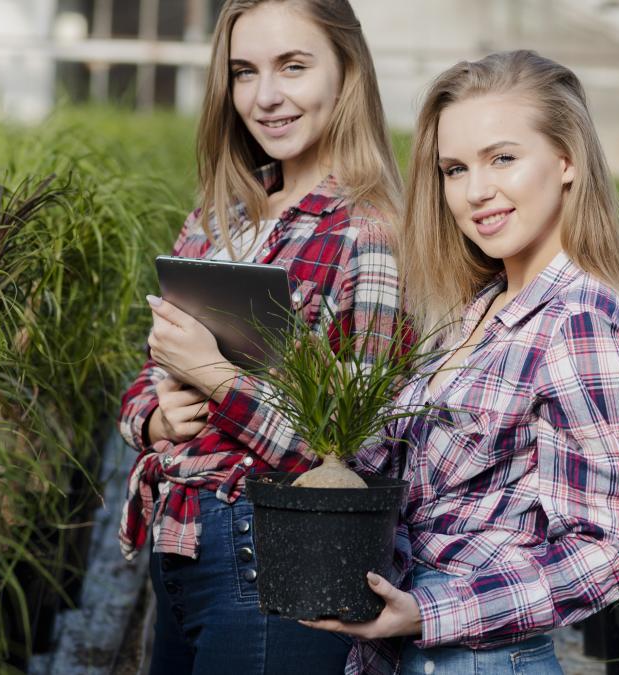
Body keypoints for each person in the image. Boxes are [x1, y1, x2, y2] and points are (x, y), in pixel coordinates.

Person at [296, 50, 619, 674]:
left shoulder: (576, 322)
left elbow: (605, 552)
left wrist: (430, 614)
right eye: (454, 168)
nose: (475, 192)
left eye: (503, 159)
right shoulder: (480, 311)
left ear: (567, 159)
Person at [115, 1, 403, 673]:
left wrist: (215, 379)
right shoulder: (218, 218)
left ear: (348, 71)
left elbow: (361, 447)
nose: (265, 96)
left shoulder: (369, 231)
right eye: (245, 72)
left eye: (293, 67)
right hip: (181, 547)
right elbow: (148, 365)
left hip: (272, 554)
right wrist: (156, 417)